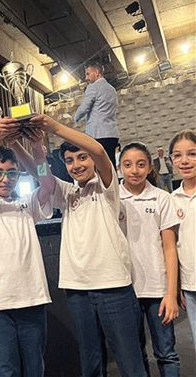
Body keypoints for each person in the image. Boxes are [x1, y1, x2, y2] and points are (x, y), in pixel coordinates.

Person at [28, 114, 147, 377]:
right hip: (78, 289)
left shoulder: (107, 186)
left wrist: (55, 127)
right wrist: (36, 148)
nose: (76, 165)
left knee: (130, 361)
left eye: (82, 157)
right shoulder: (67, 192)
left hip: (113, 287)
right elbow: (43, 178)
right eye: (69, 160)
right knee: (90, 362)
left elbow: (100, 152)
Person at [0, 118, 55, 376]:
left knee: (34, 369)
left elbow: (47, 183)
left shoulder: (28, 204)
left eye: (12, 173)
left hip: (32, 300)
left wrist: (35, 147)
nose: (5, 179)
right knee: (4, 372)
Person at [119, 142, 180, 376]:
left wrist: (171, 293)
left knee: (166, 353)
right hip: (124, 289)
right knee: (135, 354)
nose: (134, 170)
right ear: (119, 167)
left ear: (150, 168)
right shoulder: (113, 198)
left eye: (140, 164)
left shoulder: (162, 198)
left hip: (157, 289)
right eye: (128, 165)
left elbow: (170, 248)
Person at [169, 130, 196, 350]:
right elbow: (172, 245)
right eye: (178, 155)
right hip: (190, 285)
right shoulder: (171, 200)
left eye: (192, 154)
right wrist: (178, 285)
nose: (184, 161)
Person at [74, 62, 119, 167]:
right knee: (110, 165)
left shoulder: (93, 87)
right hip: (112, 134)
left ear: (97, 73)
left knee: (97, 167)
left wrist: (75, 118)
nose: (86, 78)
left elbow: (84, 107)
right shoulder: (112, 89)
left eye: (88, 74)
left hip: (97, 134)